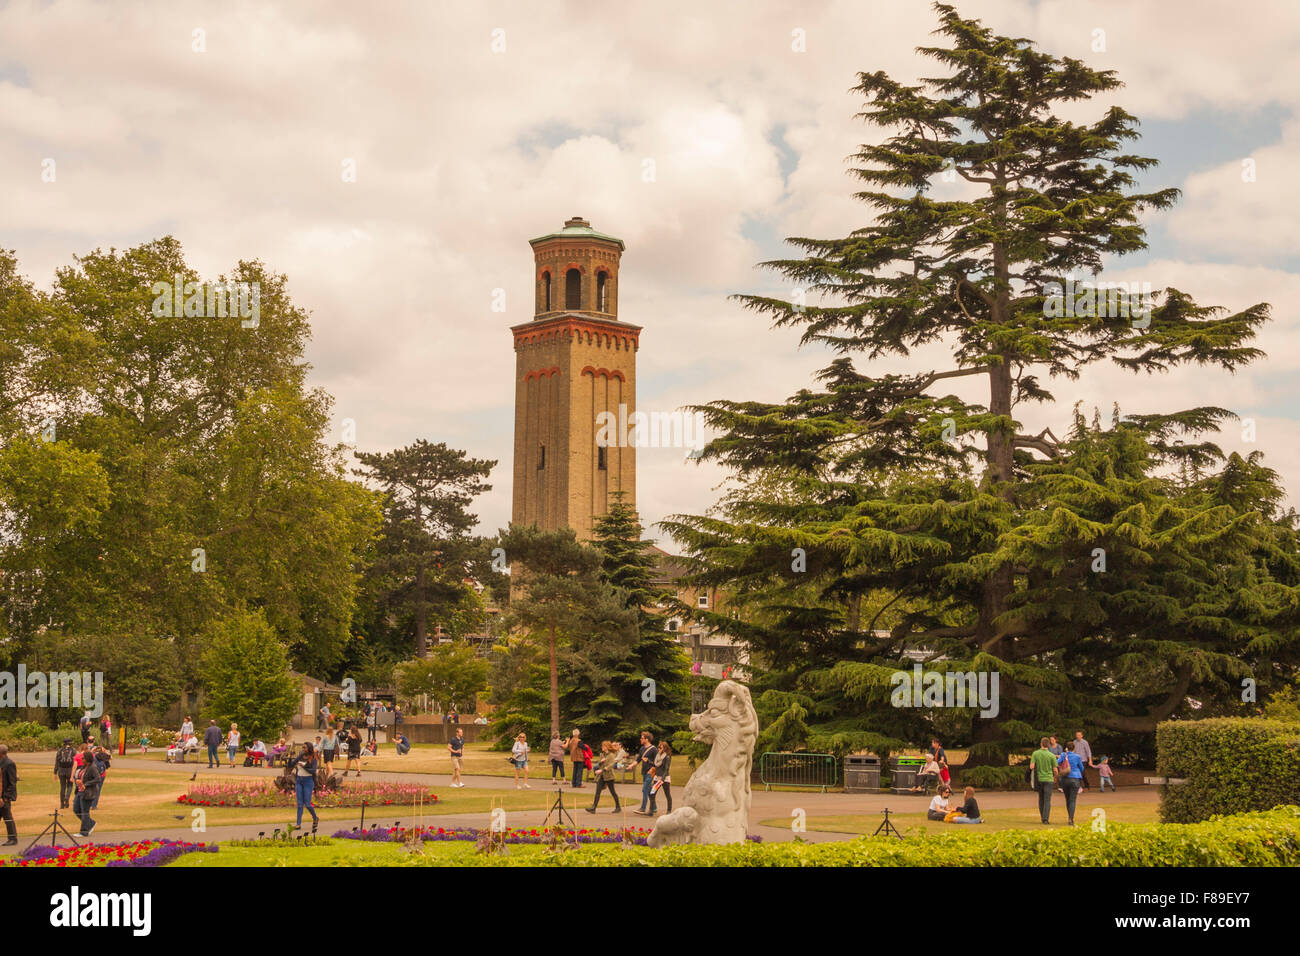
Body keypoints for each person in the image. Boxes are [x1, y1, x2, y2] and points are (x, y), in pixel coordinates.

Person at [288, 743, 320, 833]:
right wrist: (291, 757)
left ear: (309, 748)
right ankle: (298, 824)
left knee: (307, 803)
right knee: (299, 803)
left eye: (304, 747)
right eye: (302, 747)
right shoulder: (301, 755)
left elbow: (313, 771)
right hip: (299, 781)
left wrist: (304, 766)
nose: (303, 748)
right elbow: (290, 765)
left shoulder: (313, 758)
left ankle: (315, 818)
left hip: (308, 781)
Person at [584, 741, 621, 813]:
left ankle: (618, 807)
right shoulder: (602, 755)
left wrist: (602, 770)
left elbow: (610, 766)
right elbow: (599, 765)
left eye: (603, 746)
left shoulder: (611, 755)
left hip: (609, 776)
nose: (602, 747)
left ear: (607, 747)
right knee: (598, 791)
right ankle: (593, 808)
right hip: (602, 776)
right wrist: (601, 761)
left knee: (613, 792)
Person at [73, 743, 101, 837]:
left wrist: (86, 784)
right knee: (76, 809)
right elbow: (80, 776)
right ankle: (91, 823)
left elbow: (97, 779)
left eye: (83, 758)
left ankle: (84, 831)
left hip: (88, 793)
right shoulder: (84, 766)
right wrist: (76, 780)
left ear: (88, 759)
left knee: (84, 812)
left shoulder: (93, 767)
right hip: (80, 792)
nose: (81, 759)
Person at [1057, 741, 1085, 825]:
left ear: (1066, 748)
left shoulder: (1063, 755)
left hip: (1065, 778)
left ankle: (1069, 815)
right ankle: (1071, 818)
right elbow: (1082, 768)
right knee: (1072, 799)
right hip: (1075, 778)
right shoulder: (1077, 756)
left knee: (1067, 799)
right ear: (1074, 748)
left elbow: (1057, 763)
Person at [1030, 737, 1057, 824]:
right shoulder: (1051, 755)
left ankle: (1042, 816)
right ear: (1048, 745)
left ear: (1041, 744)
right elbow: (1055, 769)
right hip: (1049, 779)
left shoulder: (1035, 753)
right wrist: (1055, 777)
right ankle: (1046, 818)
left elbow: (1032, 766)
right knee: (1047, 799)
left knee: (1041, 798)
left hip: (1039, 778)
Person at [632, 731, 657, 815]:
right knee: (649, 790)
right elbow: (638, 759)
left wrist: (649, 761)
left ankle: (642, 808)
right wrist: (631, 765)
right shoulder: (642, 749)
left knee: (645, 789)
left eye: (642, 738)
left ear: (647, 739)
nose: (640, 739)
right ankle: (654, 808)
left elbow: (657, 763)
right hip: (644, 772)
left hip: (651, 772)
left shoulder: (654, 749)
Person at [0, 744, 17, 845]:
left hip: (4, 797)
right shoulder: (1, 762)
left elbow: (12, 782)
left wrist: (6, 797)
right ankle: (12, 838)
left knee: (8, 817)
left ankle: (13, 838)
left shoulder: (9, 764)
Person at [651, 740, 674, 813]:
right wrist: (648, 761)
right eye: (658, 747)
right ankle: (651, 810)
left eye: (660, 748)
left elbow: (666, 769)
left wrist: (662, 779)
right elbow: (656, 765)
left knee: (667, 794)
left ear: (664, 748)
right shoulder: (658, 756)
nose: (659, 749)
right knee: (652, 793)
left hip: (664, 778)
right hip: (657, 777)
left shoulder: (667, 757)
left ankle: (669, 810)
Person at [54, 737, 77, 809]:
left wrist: (55, 772)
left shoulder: (60, 750)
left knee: (62, 787)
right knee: (70, 786)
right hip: (70, 770)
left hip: (61, 770)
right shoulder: (73, 750)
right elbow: (75, 762)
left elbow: (57, 762)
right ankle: (67, 797)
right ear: (70, 743)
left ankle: (62, 804)